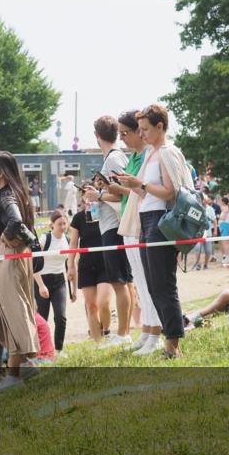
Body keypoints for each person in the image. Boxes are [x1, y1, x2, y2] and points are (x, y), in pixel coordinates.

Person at [115, 104, 194, 358]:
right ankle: (167, 339)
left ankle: (173, 344)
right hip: (146, 219)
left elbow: (172, 192)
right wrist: (132, 185)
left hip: (161, 220)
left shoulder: (167, 152)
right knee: (153, 284)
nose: (142, 133)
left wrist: (141, 184)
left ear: (160, 127)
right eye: (140, 129)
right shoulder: (151, 153)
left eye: (146, 129)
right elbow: (146, 190)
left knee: (163, 284)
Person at [0, 151, 40, 393]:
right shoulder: (10, 194)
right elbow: (12, 222)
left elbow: (16, 222)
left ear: (1, 173)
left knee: (14, 311)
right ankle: (25, 360)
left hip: (12, 260)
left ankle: (16, 371)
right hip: (7, 259)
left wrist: (5, 238)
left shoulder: (8, 195)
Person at [111, 111, 161, 354]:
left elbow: (144, 189)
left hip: (142, 221)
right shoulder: (134, 156)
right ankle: (147, 328)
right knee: (141, 282)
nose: (123, 138)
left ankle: (155, 332)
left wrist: (122, 187)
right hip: (129, 220)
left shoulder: (149, 156)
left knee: (149, 280)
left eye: (126, 133)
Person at [82, 116, 134, 347]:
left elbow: (124, 191)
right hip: (113, 225)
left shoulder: (113, 159)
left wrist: (98, 195)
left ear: (97, 135)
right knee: (123, 282)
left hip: (114, 226)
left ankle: (123, 333)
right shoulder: (115, 157)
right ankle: (124, 331)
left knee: (120, 282)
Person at [67, 189, 108, 343]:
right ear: (82, 199)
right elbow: (73, 243)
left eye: (92, 194)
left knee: (103, 303)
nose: (89, 198)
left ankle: (107, 331)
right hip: (86, 265)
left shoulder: (104, 213)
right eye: (86, 195)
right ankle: (98, 342)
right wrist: (70, 265)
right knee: (91, 306)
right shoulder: (78, 218)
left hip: (105, 263)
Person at [33, 210, 74, 351]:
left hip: (59, 282)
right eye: (59, 224)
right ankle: (42, 350)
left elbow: (71, 266)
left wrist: (73, 290)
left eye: (65, 223)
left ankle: (58, 349)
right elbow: (33, 262)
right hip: (41, 280)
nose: (63, 227)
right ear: (52, 225)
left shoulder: (68, 240)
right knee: (42, 319)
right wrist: (41, 285)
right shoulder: (45, 239)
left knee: (61, 317)